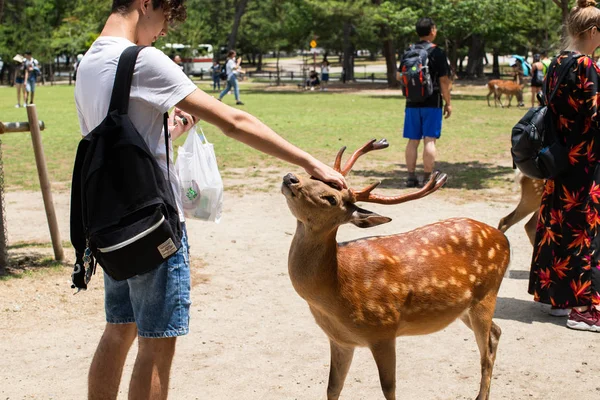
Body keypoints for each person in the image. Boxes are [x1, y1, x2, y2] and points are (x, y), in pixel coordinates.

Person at [74, 1, 347, 398]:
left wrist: (165, 131)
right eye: (165, 19)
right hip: (154, 228)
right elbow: (234, 121)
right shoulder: (144, 60)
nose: (163, 31)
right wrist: (308, 161)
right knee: (156, 342)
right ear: (145, 4)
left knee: (118, 332)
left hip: (111, 225)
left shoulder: (88, 62)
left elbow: (113, 136)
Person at [529, 0, 600, 331]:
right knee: (585, 232)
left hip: (557, 161)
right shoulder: (588, 66)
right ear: (593, 31)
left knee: (559, 226)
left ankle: (558, 299)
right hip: (585, 163)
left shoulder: (556, 64)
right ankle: (585, 309)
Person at [401, 17, 451, 188]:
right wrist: (448, 102)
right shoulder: (437, 52)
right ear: (432, 31)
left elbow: (400, 76)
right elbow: (444, 80)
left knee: (412, 140)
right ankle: (428, 178)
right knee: (429, 140)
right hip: (432, 102)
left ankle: (410, 177)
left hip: (412, 102)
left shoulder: (409, 51)